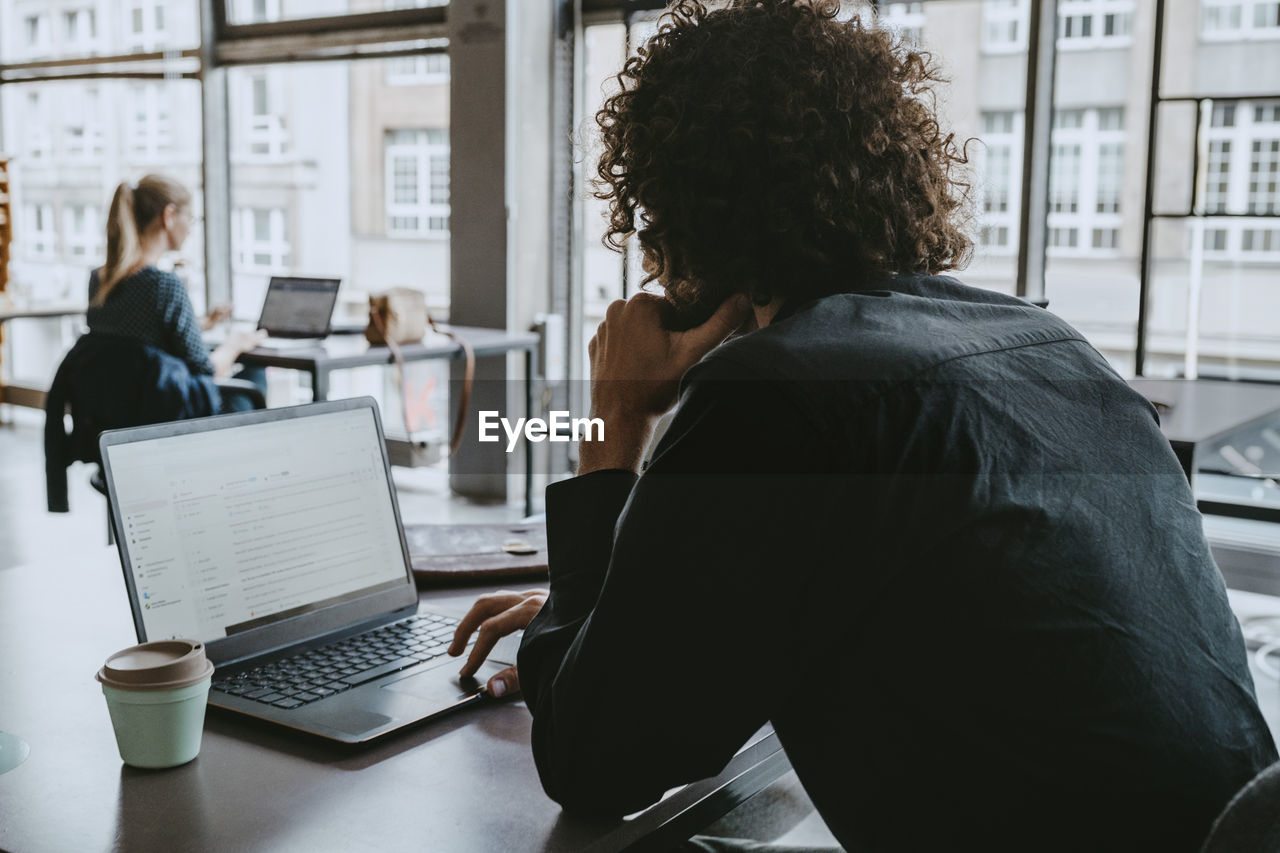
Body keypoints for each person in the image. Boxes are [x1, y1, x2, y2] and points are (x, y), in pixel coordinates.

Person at [449, 1, 1277, 850]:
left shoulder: (777, 391)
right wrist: (607, 618)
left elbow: (595, 765)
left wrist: (617, 416)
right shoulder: (1054, 343)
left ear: (686, 209)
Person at [87, 174, 263, 405]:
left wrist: (204, 323)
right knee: (254, 373)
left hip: (123, 413)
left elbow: (142, 336)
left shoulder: (99, 279)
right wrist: (236, 344)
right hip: (169, 417)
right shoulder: (163, 285)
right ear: (169, 216)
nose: (190, 228)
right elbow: (206, 371)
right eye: (190, 217)